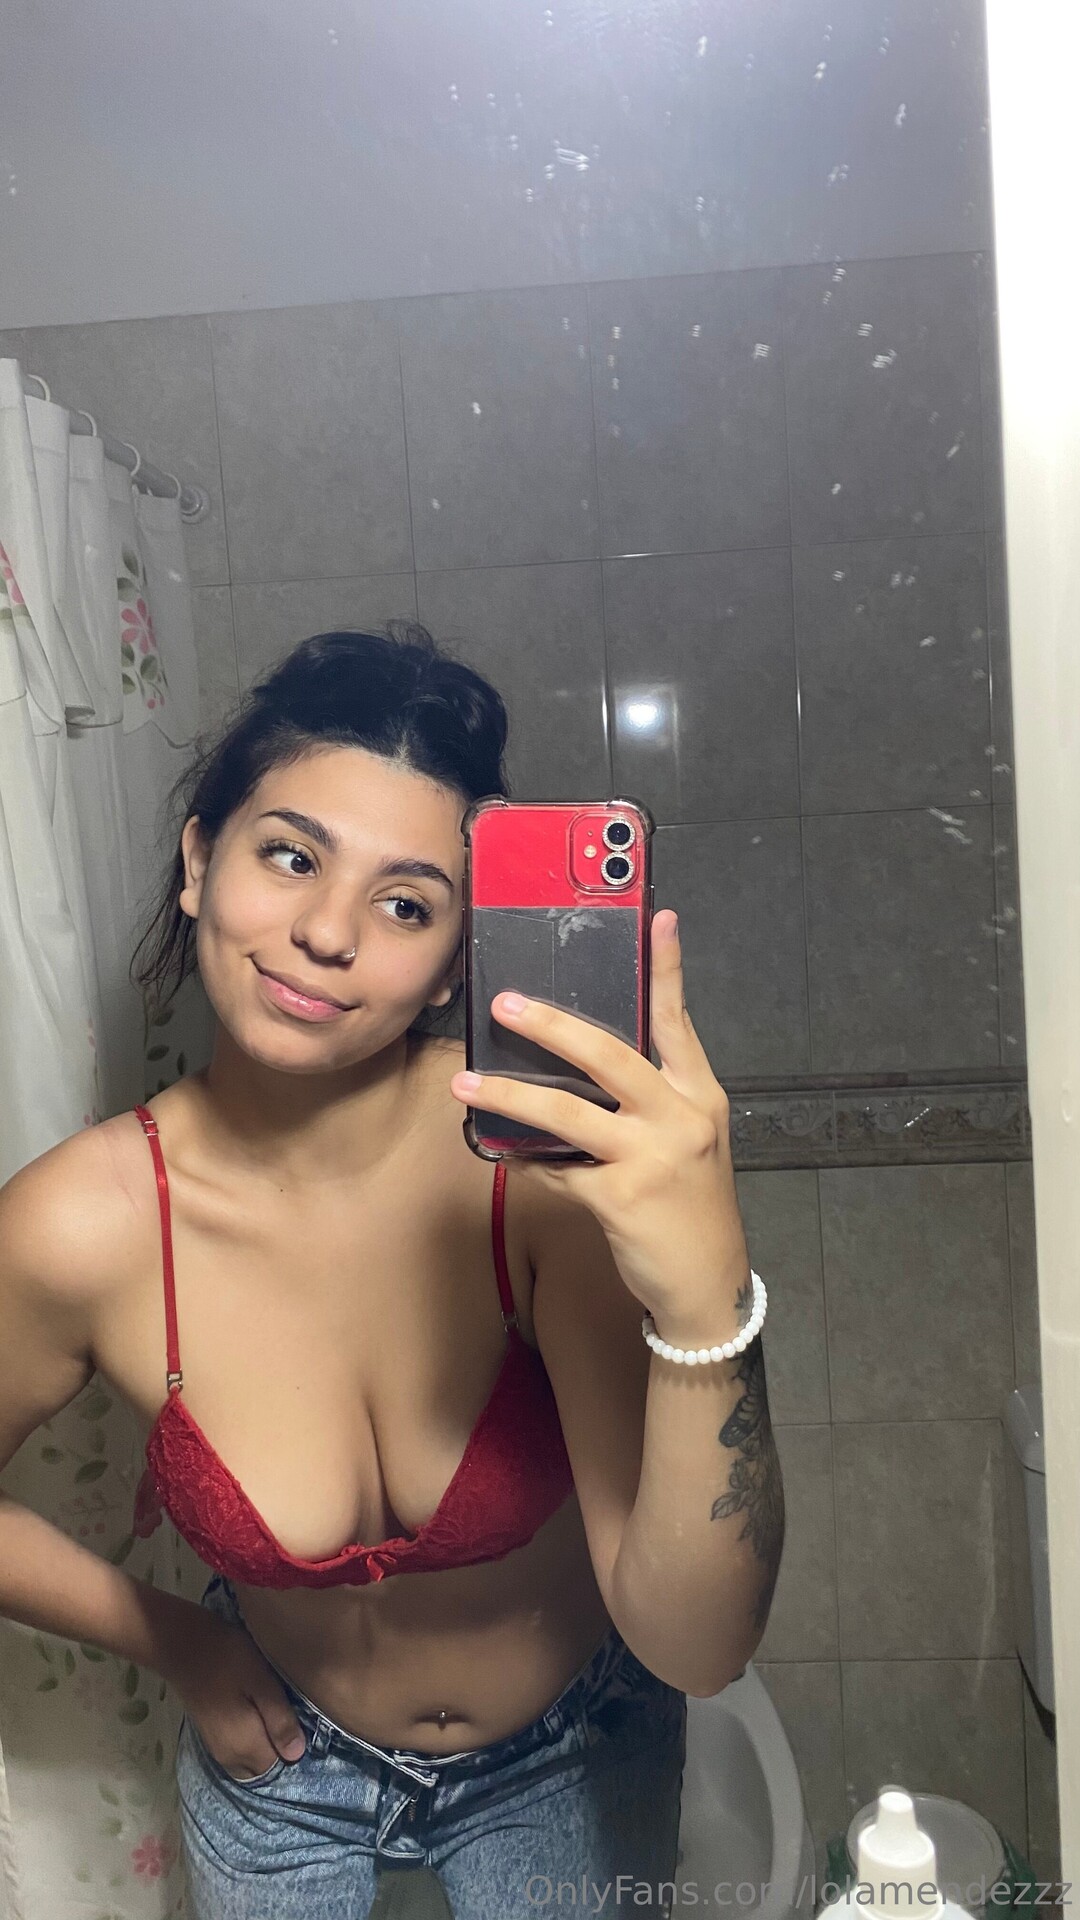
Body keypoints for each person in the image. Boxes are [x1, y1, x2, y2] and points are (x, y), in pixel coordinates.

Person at [0, 622, 784, 1920]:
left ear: (452, 969)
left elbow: (700, 1648)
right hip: (277, 1767)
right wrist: (177, 1639)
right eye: (290, 855)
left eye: (407, 903)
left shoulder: (531, 1179)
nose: (327, 932)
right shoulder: (82, 1225)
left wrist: (708, 1300)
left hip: (570, 1751)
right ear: (198, 863)